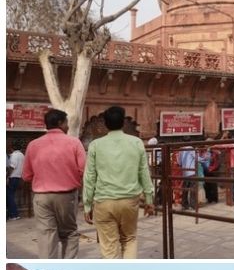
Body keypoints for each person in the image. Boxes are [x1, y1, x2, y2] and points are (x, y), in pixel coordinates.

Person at [82, 106, 155, 259]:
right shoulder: (136, 143)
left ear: (105, 125)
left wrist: (87, 205)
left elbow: (89, 177)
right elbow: (144, 172)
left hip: (103, 202)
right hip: (129, 201)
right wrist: (149, 199)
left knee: (109, 246)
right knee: (129, 239)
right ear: (123, 123)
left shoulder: (96, 145)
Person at [23, 108, 86, 258]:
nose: (68, 126)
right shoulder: (74, 142)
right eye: (66, 122)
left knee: (46, 236)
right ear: (60, 123)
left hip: (41, 197)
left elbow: (26, 175)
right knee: (70, 233)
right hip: (66, 196)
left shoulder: (33, 145)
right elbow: (84, 170)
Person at [7, 140, 26, 220]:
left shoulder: (14, 155)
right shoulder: (22, 155)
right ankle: (13, 214)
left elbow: (12, 167)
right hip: (18, 177)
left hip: (12, 177)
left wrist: (7, 176)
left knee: (9, 196)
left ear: (12, 148)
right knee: (11, 195)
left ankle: (14, 214)